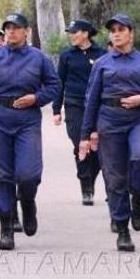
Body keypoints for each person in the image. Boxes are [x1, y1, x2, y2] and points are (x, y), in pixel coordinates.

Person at [0, 13, 60, 251]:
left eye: (16, 28)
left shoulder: (38, 58)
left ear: (26, 31)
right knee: (1, 176)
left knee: (28, 174)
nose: (11, 32)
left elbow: (53, 86)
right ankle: (6, 227)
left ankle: (28, 202)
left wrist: (36, 98)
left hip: (27, 121)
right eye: (8, 28)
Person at [79, 13, 140, 252]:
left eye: (120, 29)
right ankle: (123, 231)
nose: (115, 33)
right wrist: (86, 135)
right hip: (109, 122)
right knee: (115, 178)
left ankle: (139, 196)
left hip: (139, 120)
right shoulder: (102, 64)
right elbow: (91, 100)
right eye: (112, 30)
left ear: (131, 33)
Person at [53, 20, 106, 206]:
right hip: (74, 105)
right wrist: (56, 109)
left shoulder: (102, 54)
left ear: (86, 33)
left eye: (75, 32)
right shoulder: (67, 55)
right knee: (79, 145)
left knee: (97, 147)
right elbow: (59, 83)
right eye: (70, 32)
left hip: (98, 107)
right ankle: (86, 186)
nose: (71, 35)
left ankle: (90, 178)